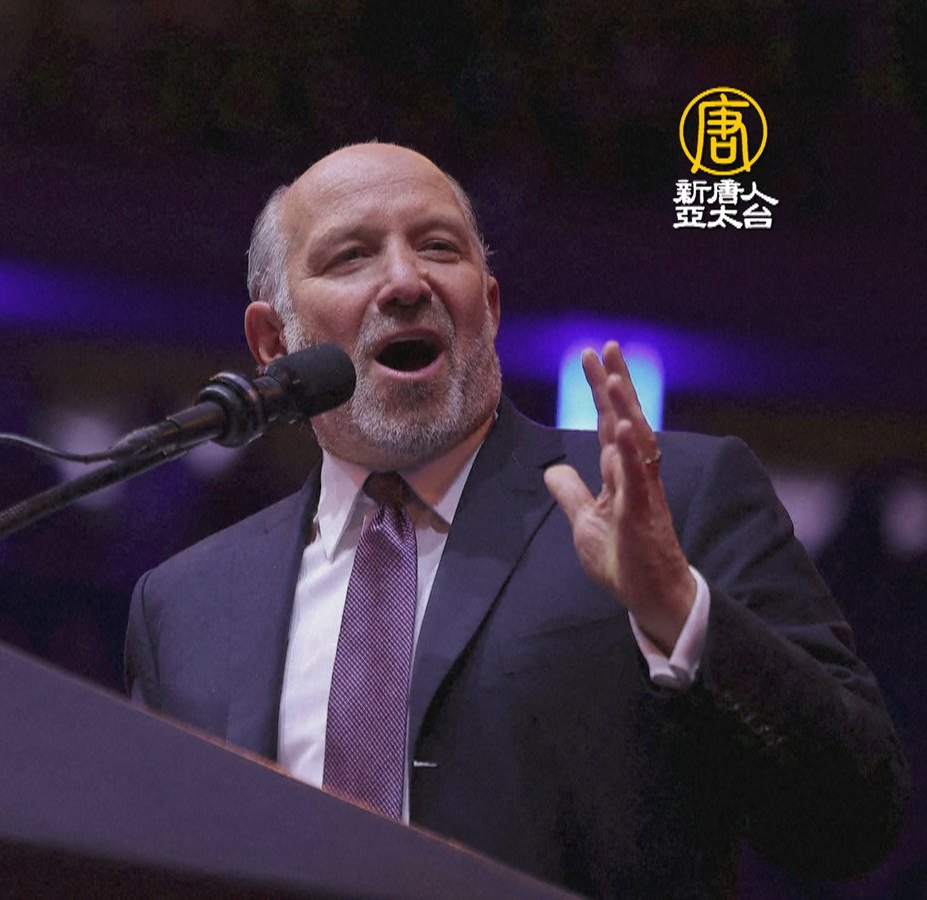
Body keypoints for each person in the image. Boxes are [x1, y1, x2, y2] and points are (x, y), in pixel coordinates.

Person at [124, 143, 907, 897]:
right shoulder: (185, 606)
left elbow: (854, 819)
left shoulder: (675, 500)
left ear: (489, 308)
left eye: (439, 247)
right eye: (351, 257)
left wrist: (679, 609)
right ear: (273, 342)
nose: (406, 280)